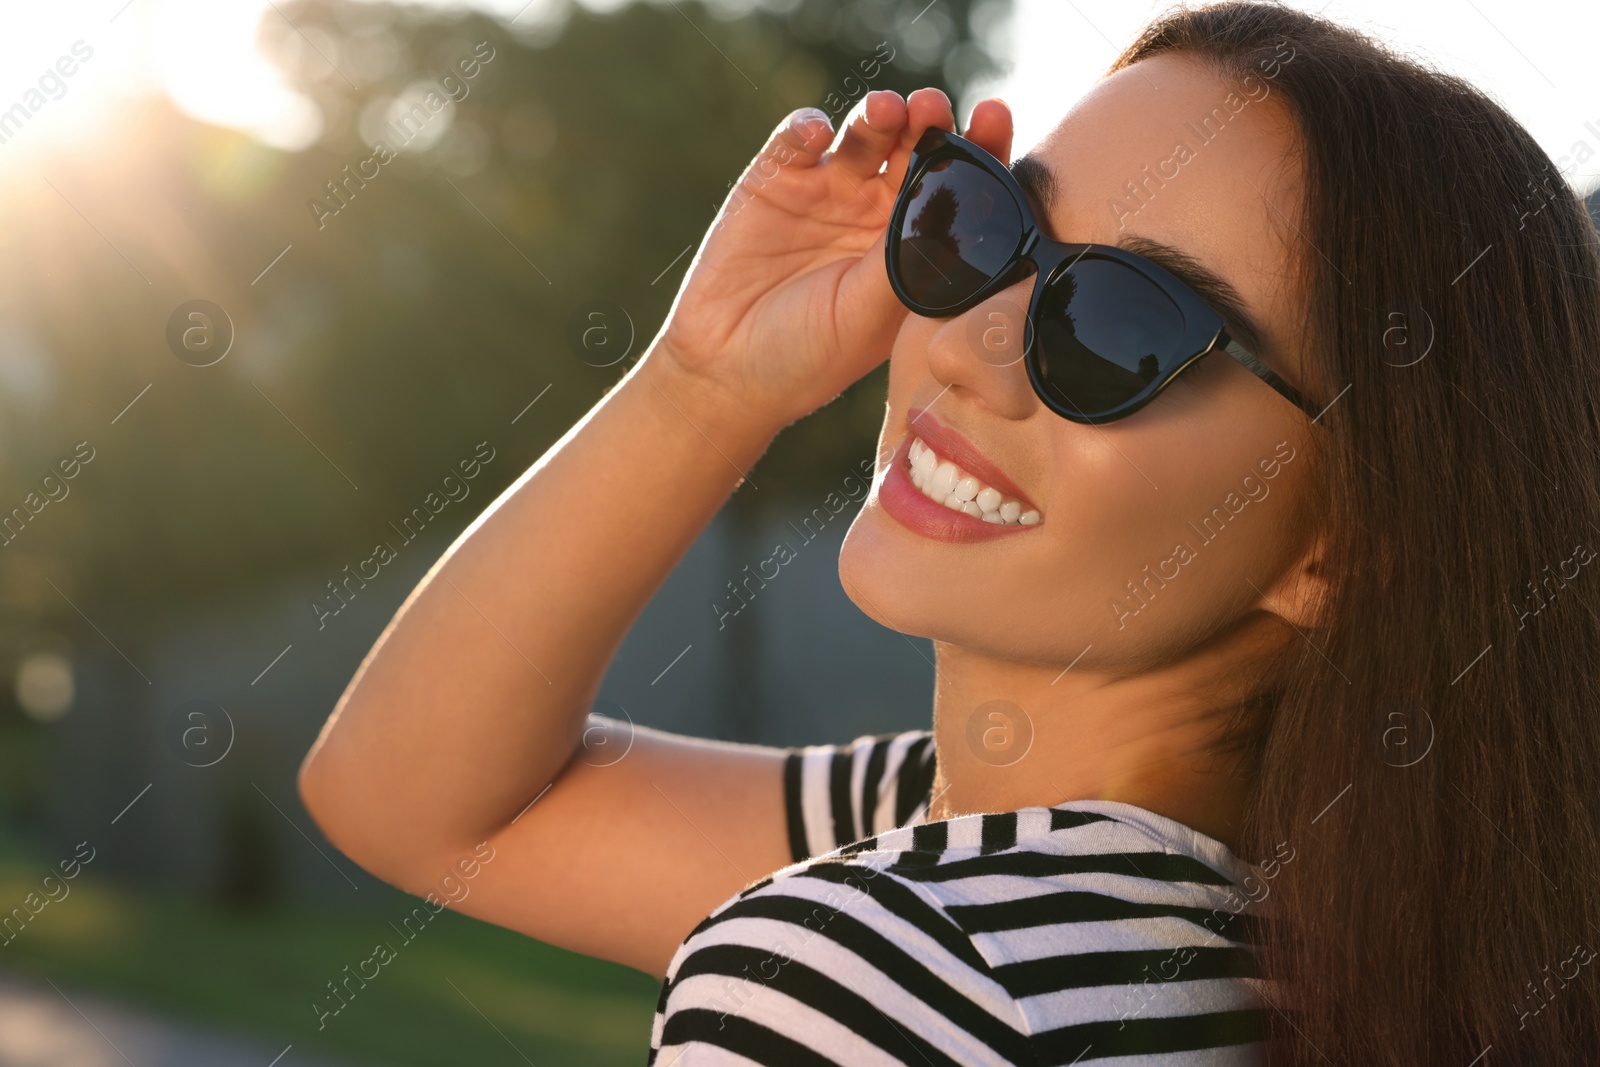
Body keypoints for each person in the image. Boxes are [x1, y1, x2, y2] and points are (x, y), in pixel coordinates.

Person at [297, 2, 1600, 1062]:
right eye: (985, 228)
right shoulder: (1278, 925)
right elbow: (416, 804)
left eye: (1121, 326)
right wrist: (707, 382)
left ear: (1343, 545)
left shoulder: (879, 977)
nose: (971, 348)